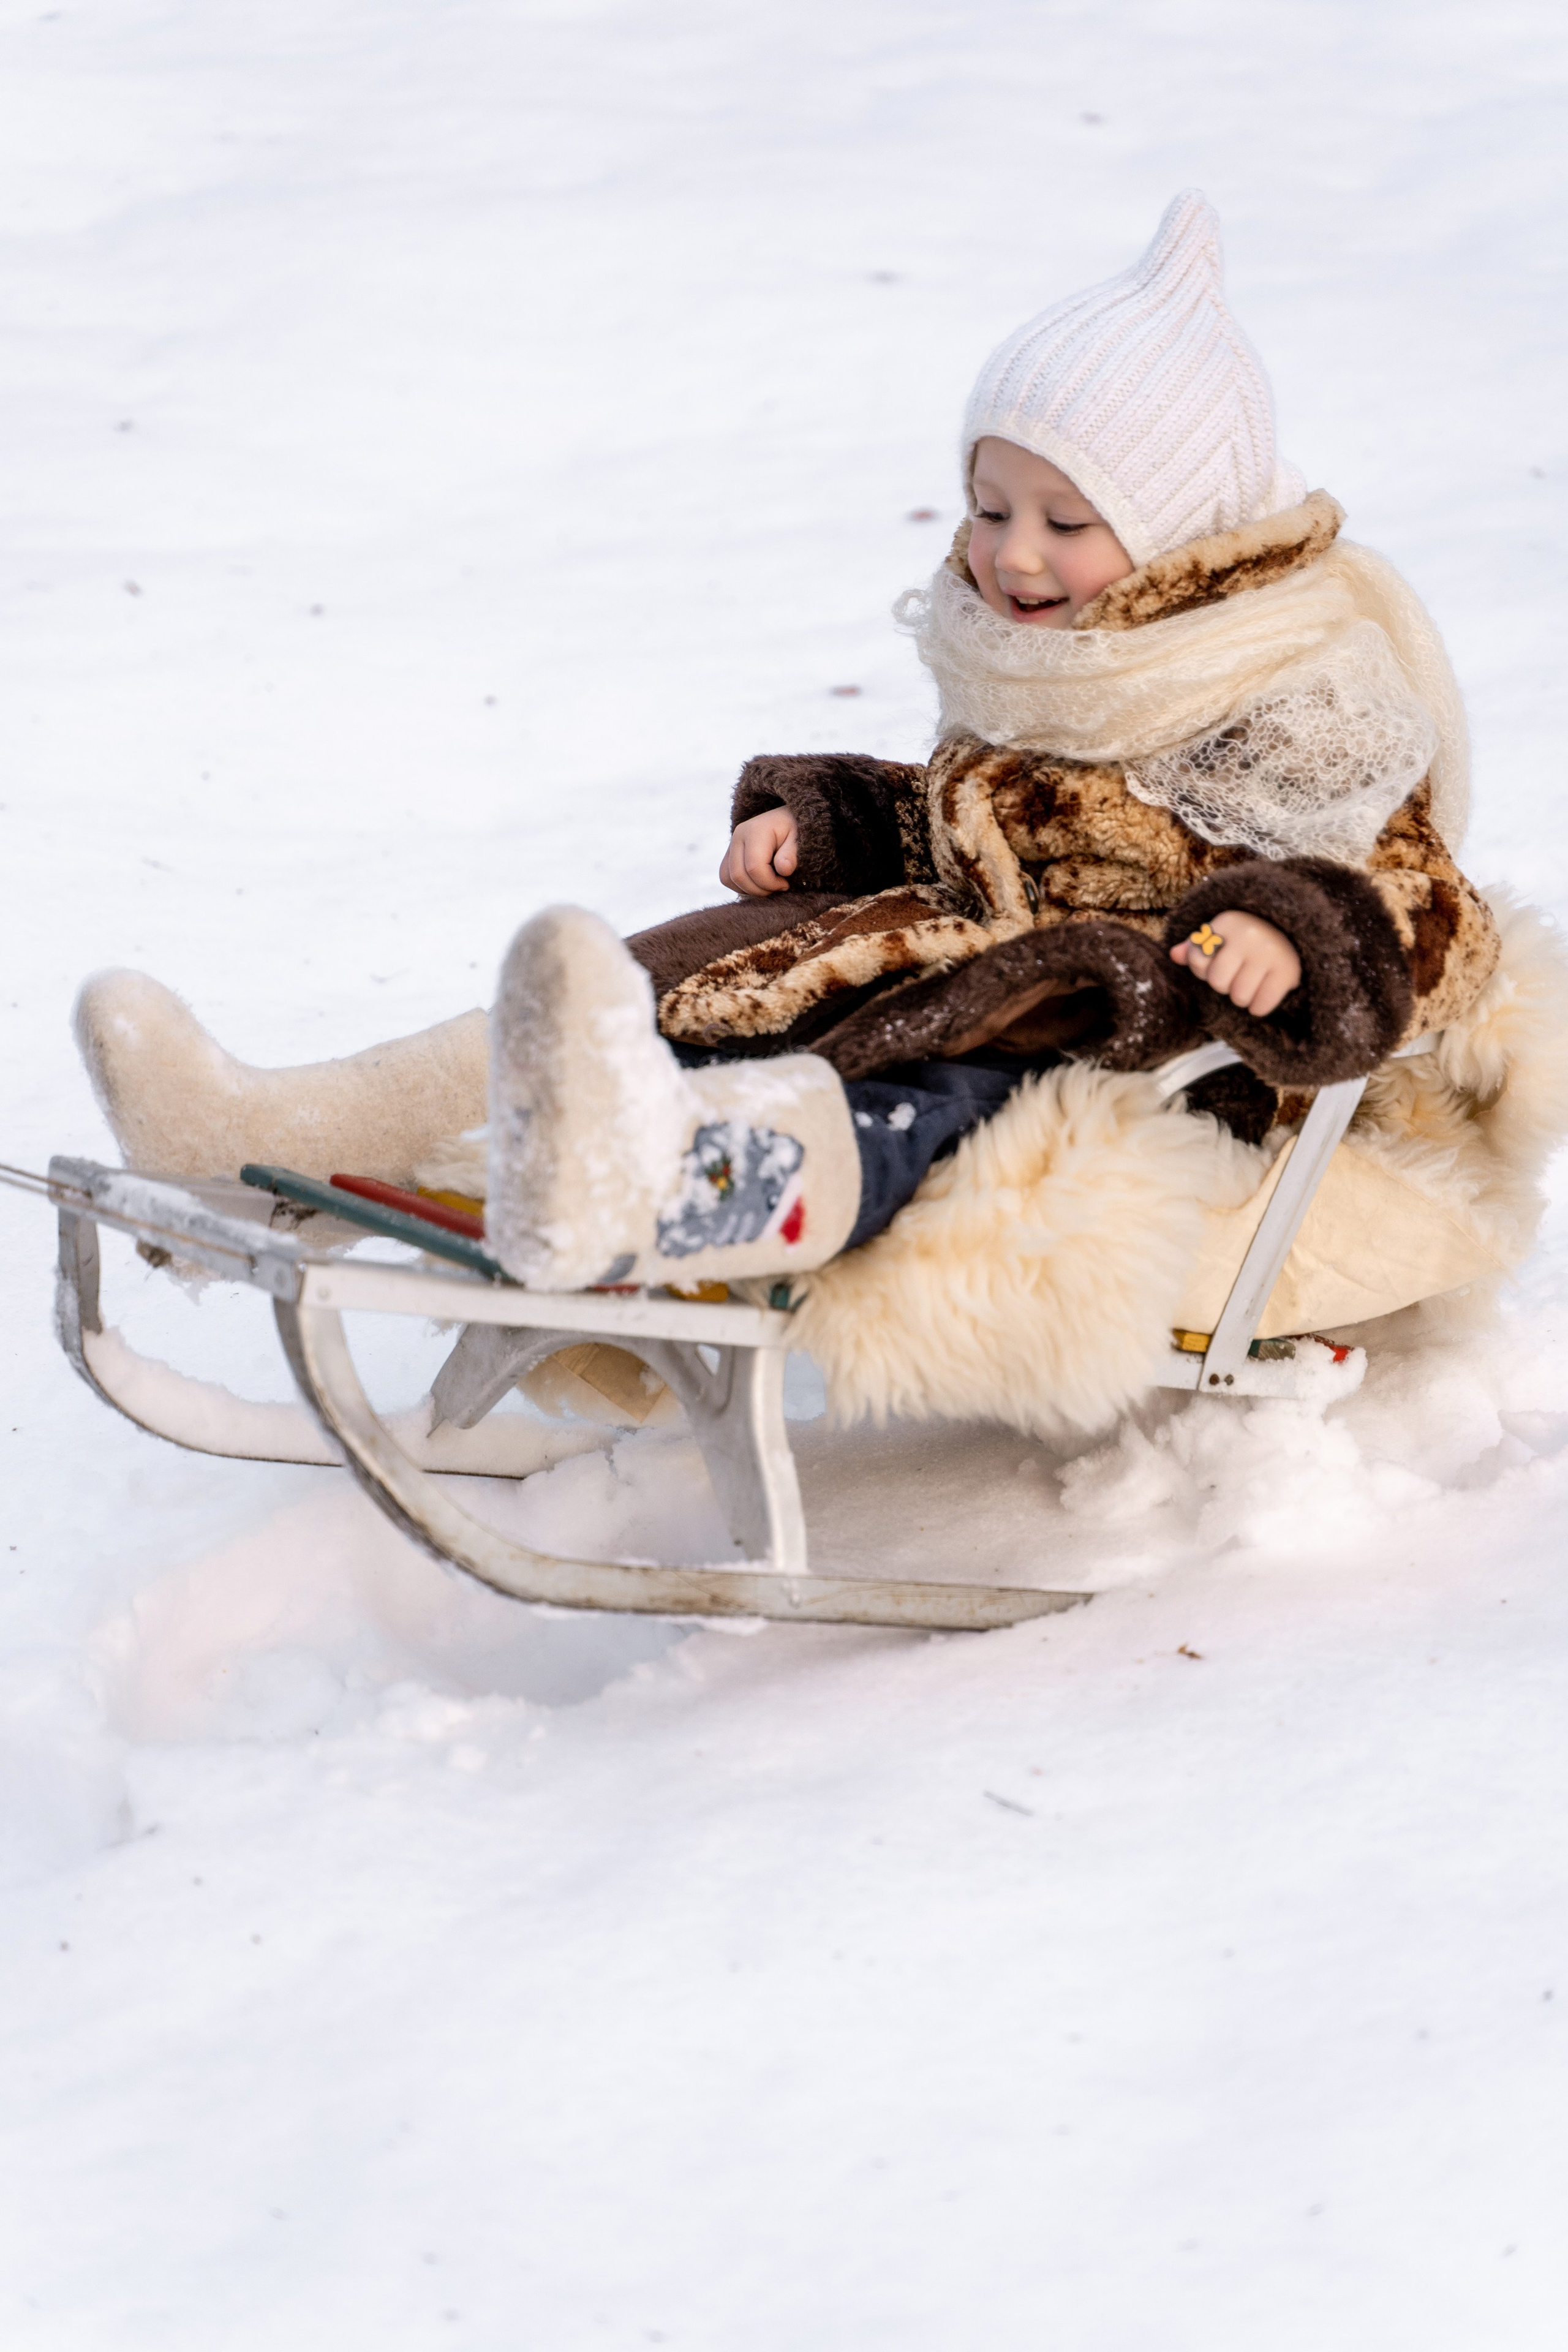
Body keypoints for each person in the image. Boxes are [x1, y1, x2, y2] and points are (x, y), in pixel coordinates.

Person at [75, 191, 1511, 1335]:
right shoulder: (1065, 658)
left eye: (1065, 520)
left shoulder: (1288, 689)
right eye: (988, 504)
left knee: (929, 1106)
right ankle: (264, 1129)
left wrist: (1283, 928)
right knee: (670, 982)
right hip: (973, 975)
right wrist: (826, 827)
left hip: (1144, 1054)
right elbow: (1000, 838)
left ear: (1184, 528)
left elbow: (1422, 908)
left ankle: (663, 1192)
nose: (1012, 553)